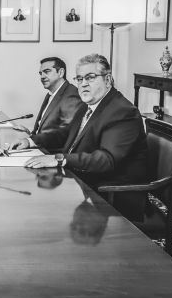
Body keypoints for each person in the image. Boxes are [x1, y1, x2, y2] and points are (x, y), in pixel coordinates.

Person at [18, 54, 148, 221]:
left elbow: (106, 159)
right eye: (79, 79)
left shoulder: (122, 111)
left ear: (108, 80)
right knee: (32, 204)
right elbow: (64, 134)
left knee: (40, 213)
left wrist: (59, 159)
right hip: (83, 183)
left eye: (90, 77)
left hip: (111, 197)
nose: (83, 84)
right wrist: (30, 141)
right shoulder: (89, 106)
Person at [28, 57, 82, 137]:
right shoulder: (50, 94)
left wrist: (31, 141)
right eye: (40, 73)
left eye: (47, 71)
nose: (42, 77)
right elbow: (46, 129)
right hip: (40, 143)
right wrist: (29, 134)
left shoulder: (71, 95)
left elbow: (65, 134)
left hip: (49, 145)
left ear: (60, 72)